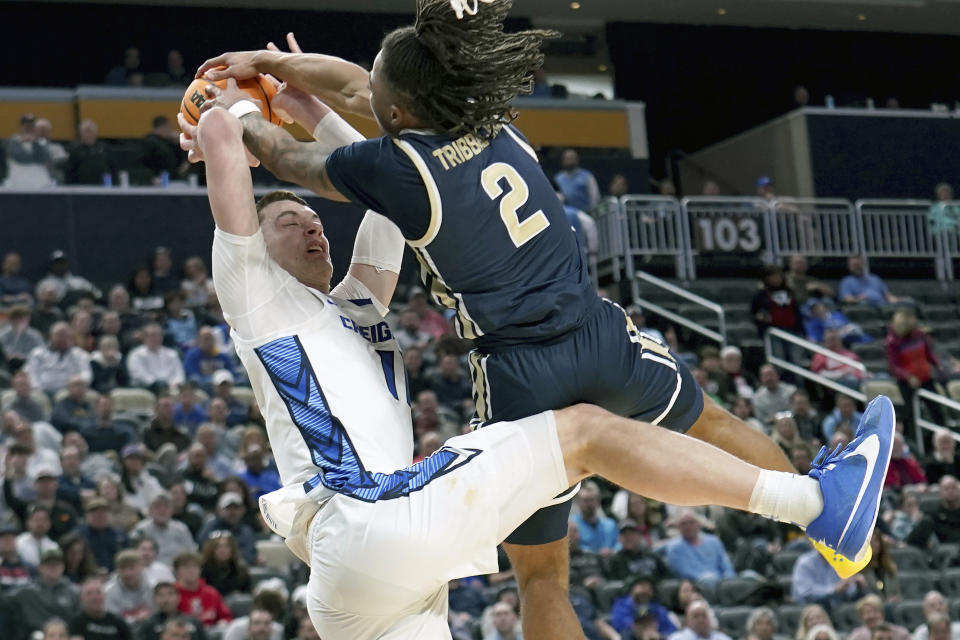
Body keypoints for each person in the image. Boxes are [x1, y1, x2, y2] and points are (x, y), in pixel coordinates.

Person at [177, 90, 894, 638]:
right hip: (363, 517)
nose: (308, 223)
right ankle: (811, 504)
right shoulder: (258, 299)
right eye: (286, 221)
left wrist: (306, 105)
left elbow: (390, 194)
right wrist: (234, 103)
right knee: (582, 431)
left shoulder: (356, 304)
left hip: (366, 577)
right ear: (257, 246)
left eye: (311, 218)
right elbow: (220, 141)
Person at [8, 547, 79, 640]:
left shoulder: (74, 592)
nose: (53, 567)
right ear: (40, 568)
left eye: (56, 564)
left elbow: (80, 620)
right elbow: (5, 600)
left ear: (63, 567)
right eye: (49, 564)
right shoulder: (27, 591)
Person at [665, 509, 735, 585]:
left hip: (723, 582)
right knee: (710, 580)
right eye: (684, 524)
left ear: (698, 524)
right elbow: (683, 572)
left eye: (692, 522)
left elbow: (725, 564)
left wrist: (728, 577)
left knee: (748, 574)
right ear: (678, 527)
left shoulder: (713, 541)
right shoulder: (674, 548)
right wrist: (710, 578)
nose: (688, 526)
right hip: (698, 585)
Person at [24, 321, 93, 396]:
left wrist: (78, 383)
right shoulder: (37, 353)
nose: (62, 338)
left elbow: (86, 373)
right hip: (42, 391)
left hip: (70, 393)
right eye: (59, 335)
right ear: (51, 336)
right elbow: (31, 373)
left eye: (65, 335)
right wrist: (38, 388)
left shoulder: (79, 354)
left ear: (71, 337)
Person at [173, 552, 232, 628]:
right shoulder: (172, 593)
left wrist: (222, 624)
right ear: (177, 571)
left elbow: (226, 617)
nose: (191, 570)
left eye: (195, 566)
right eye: (186, 567)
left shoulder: (211, 592)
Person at [127, 323, 186, 393]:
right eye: (153, 335)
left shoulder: (172, 354)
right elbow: (140, 375)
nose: (156, 338)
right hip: (147, 388)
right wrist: (159, 384)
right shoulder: (136, 354)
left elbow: (179, 373)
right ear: (144, 337)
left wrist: (174, 384)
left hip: (172, 387)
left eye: (159, 335)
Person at [610, 575, 677, 637]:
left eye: (649, 588)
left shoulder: (657, 607)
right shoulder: (621, 605)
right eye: (642, 586)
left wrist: (659, 634)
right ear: (632, 588)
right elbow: (619, 626)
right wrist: (642, 631)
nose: (646, 591)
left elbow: (672, 629)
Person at [69, 576, 133, 640]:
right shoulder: (75, 623)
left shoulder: (119, 623)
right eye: (89, 593)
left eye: (98, 592)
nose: (94, 597)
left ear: (105, 595)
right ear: (81, 598)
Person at [105, 549, 155, 623]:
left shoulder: (152, 587)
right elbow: (113, 621)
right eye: (123, 568)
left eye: (131, 568)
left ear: (141, 567)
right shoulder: (109, 593)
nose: (127, 573)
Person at [570, 480, 619, 555]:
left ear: (598, 501)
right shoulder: (572, 525)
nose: (589, 504)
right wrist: (595, 554)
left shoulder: (610, 525)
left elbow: (620, 544)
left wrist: (612, 551)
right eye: (586, 500)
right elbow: (572, 547)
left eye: (592, 500)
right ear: (579, 502)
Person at [66, 119, 113, 185]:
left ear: (95, 133)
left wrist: (110, 186)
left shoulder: (104, 148)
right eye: (86, 131)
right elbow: (70, 171)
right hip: (81, 187)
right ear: (81, 133)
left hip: (103, 186)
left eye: (91, 131)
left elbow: (111, 168)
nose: (88, 134)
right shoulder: (75, 149)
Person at [555, 148, 601, 213]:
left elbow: (595, 197)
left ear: (577, 160)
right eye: (567, 158)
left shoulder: (587, 176)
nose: (570, 161)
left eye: (572, 158)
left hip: (585, 213)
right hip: (565, 214)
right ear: (563, 161)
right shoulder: (558, 178)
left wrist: (592, 212)